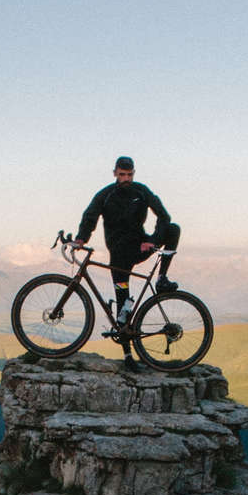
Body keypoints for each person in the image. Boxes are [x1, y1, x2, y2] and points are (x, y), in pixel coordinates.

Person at [74, 156, 180, 370]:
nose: (126, 179)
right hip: (119, 255)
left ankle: (161, 279)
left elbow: (164, 216)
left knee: (173, 229)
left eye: (130, 175)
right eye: (122, 175)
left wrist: (151, 240)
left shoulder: (141, 191)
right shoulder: (106, 195)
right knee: (123, 308)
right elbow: (90, 216)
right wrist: (81, 238)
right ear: (115, 173)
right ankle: (128, 355)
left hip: (140, 247)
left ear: (134, 173)